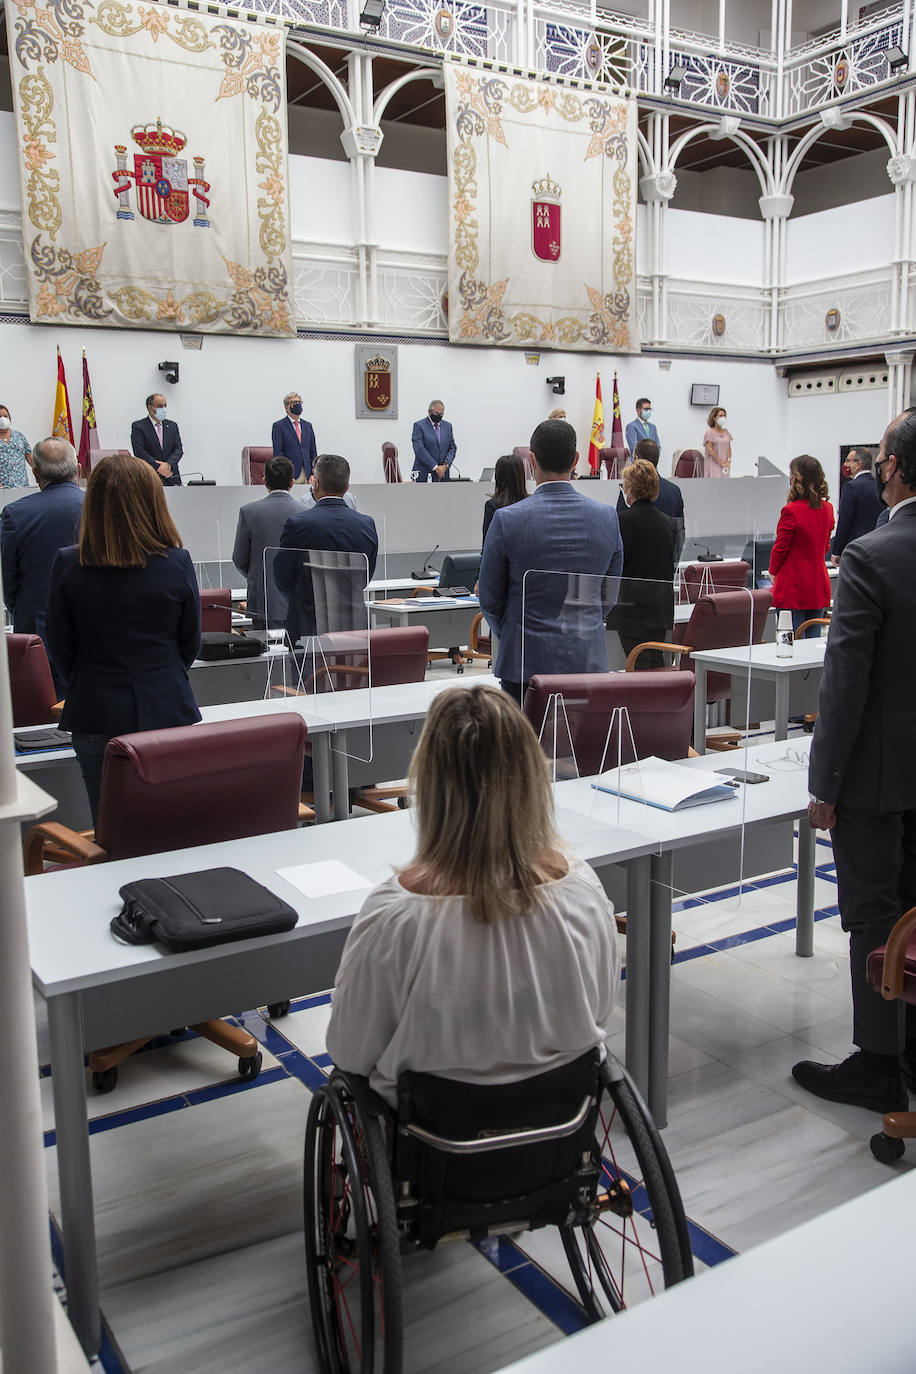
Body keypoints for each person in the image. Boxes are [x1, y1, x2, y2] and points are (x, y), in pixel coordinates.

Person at [325, 684, 620, 1107]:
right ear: (532, 778)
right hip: (559, 1134)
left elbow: (349, 1050)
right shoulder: (583, 892)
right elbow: (600, 1011)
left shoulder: (396, 918)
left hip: (430, 1148)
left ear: (428, 786)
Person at [792, 407, 916, 1114]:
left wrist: (823, 783)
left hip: (874, 775)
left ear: (891, 470)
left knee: (873, 915)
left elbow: (846, 685)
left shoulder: (870, 557)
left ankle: (877, 1062)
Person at [45, 453, 201, 824]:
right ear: (153, 502)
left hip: (95, 709)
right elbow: (189, 643)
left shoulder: (69, 564)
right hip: (166, 706)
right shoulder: (177, 562)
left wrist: (90, 680)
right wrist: (159, 676)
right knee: (171, 827)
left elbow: (59, 646)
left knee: (111, 829)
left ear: (93, 502)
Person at [478, 418, 623, 702]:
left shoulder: (507, 520)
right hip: (587, 661)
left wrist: (512, 632)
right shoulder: (607, 517)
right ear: (576, 460)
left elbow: (490, 599)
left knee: (524, 747)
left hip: (524, 665)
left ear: (531, 461)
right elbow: (608, 596)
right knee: (583, 747)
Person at [1, 438, 84, 684]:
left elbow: (9, 582)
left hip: (39, 637)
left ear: (35, 473)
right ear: (78, 469)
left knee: (41, 719)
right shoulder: (103, 506)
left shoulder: (16, 514)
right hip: (98, 636)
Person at [274, 453, 378, 646]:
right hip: (354, 626)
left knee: (305, 677)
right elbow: (365, 576)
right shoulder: (366, 525)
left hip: (307, 626)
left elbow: (282, 576)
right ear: (347, 488)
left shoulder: (298, 524)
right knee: (353, 676)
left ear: (316, 484)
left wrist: (301, 599)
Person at [607, 459, 677, 669]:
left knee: (640, 666)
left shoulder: (622, 520)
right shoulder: (667, 522)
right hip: (659, 609)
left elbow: (616, 563)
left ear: (629, 488)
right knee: (653, 663)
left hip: (631, 610)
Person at [232, 456, 302, 629]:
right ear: (292, 482)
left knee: (267, 654)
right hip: (298, 601)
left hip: (263, 602)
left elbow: (240, 558)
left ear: (264, 481)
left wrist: (259, 575)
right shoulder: (306, 513)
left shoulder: (249, 512)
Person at [769, 455, 834, 637]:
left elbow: (780, 548)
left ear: (795, 478)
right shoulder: (827, 509)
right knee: (811, 644)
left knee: (790, 642)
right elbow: (826, 546)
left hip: (792, 586)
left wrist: (773, 572)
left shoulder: (791, 511)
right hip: (818, 584)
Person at [616, 438, 685, 561]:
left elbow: (619, 533)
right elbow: (679, 535)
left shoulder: (629, 491)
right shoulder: (674, 491)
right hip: (664, 568)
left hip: (634, 568)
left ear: (636, 458)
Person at [831, 447, 882, 562]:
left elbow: (844, 521)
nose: (845, 464)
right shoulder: (878, 486)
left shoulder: (851, 487)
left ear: (858, 464)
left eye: (848, 460)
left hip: (856, 547)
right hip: (877, 545)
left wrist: (836, 551)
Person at [131, 393, 183, 486]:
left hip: (171, 476)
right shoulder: (139, 426)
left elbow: (178, 449)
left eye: (165, 406)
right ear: (150, 408)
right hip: (149, 476)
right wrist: (158, 467)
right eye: (160, 406)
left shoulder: (172, 426)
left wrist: (168, 465)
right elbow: (139, 451)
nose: (163, 409)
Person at [271, 391, 317, 485]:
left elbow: (313, 451)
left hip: (308, 474)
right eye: (294, 403)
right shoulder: (279, 426)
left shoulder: (308, 426)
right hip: (290, 474)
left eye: (299, 402)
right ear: (287, 407)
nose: (298, 405)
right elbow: (278, 453)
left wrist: (314, 473)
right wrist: (284, 474)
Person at [482, 453, 527, 542]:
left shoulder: (492, 505)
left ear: (498, 477)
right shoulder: (530, 503)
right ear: (521, 476)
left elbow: (487, 543)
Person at [411, 399, 456, 482]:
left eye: (441, 414)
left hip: (443, 474)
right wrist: (435, 467)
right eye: (436, 414)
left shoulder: (447, 426)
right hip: (424, 473)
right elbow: (419, 449)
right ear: (429, 412)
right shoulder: (419, 426)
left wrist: (445, 465)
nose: (438, 416)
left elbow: (452, 447)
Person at [0, 405, 32, 488]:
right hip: (3, 488)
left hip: (22, 486)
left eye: (5, 416)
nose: (2, 419)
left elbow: (31, 459)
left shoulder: (19, 436)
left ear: (9, 417)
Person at [703, 406, 732, 477]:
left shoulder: (726, 432)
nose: (723, 418)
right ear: (714, 418)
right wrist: (720, 462)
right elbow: (710, 450)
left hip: (725, 466)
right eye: (721, 415)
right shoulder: (709, 433)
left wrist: (728, 461)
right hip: (714, 464)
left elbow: (729, 448)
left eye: (724, 416)